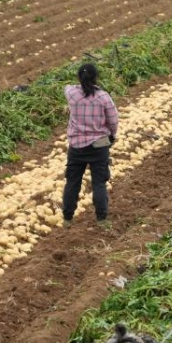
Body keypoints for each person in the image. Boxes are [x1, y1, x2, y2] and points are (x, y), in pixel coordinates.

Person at [62, 63, 119, 228]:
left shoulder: (72, 93)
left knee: (72, 182)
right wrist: (112, 135)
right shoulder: (103, 97)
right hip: (99, 144)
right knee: (99, 183)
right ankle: (102, 220)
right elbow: (113, 120)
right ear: (96, 78)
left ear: (79, 78)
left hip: (76, 145)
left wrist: (81, 83)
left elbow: (68, 87)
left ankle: (67, 219)